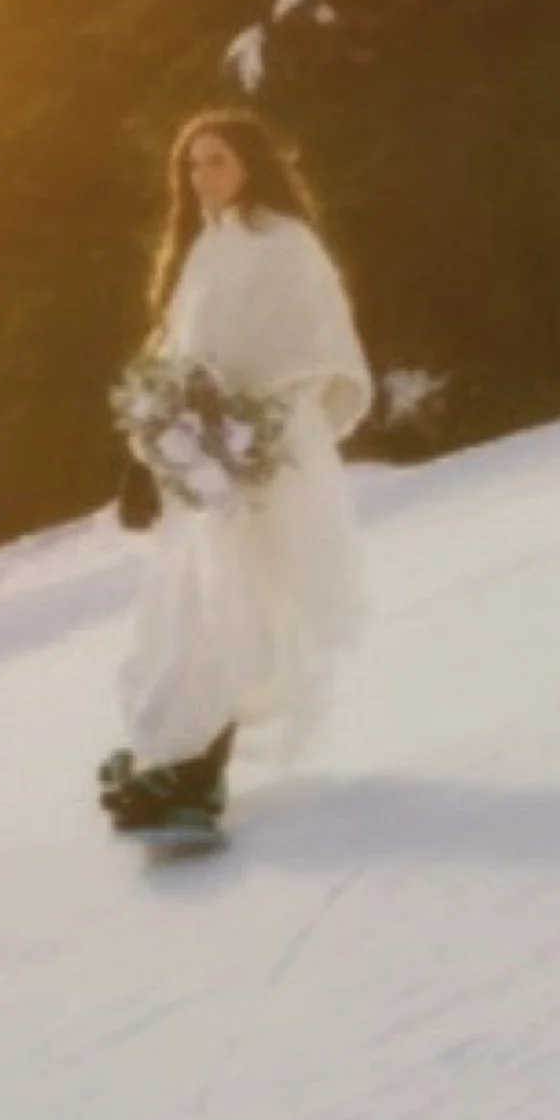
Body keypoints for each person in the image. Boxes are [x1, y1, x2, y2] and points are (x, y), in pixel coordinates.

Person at [101, 107, 373, 837]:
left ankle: (195, 775)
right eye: (192, 165)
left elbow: (313, 351)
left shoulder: (285, 245)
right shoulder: (205, 248)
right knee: (186, 607)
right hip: (204, 474)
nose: (201, 177)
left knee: (234, 608)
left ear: (251, 163)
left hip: (259, 468)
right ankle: (169, 748)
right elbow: (179, 358)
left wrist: (245, 433)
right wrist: (153, 452)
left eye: (216, 161)